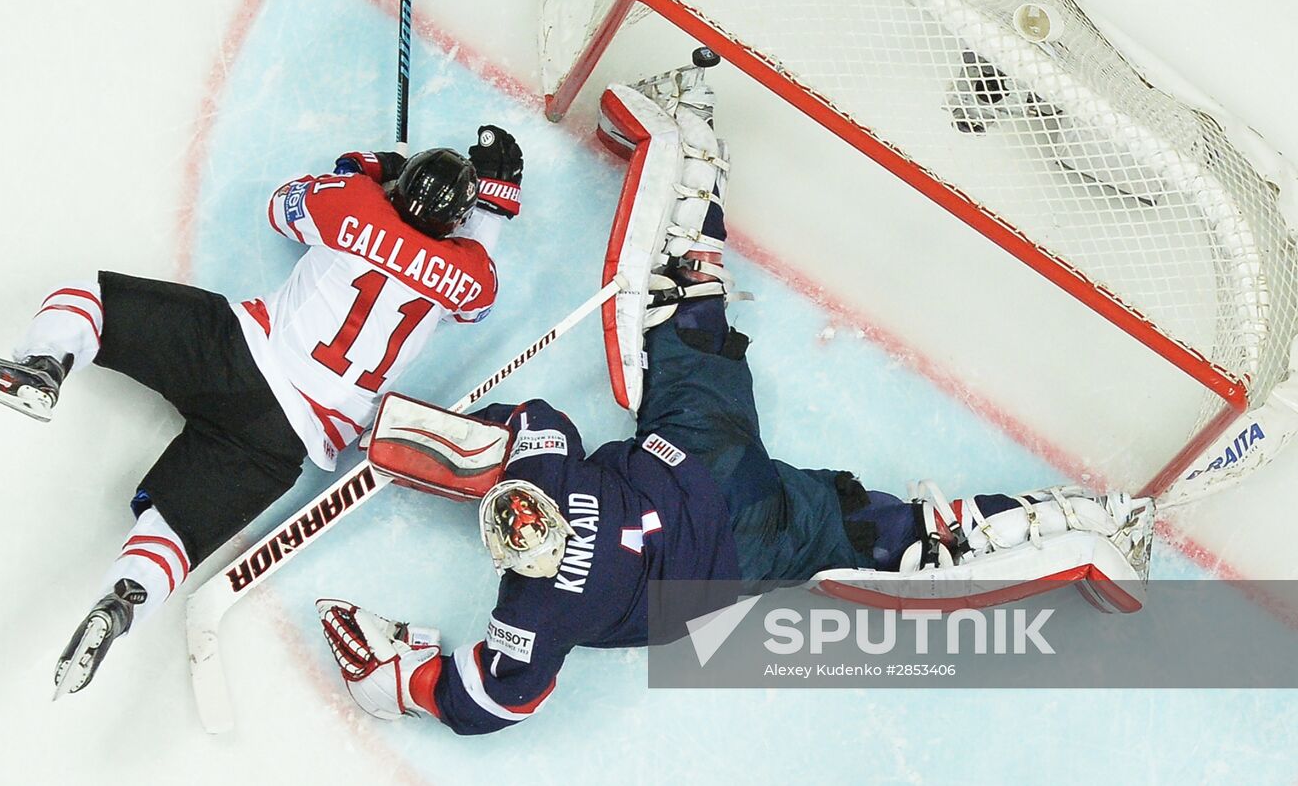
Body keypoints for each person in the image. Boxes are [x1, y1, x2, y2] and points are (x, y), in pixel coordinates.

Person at [311, 66, 1156, 735]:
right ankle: (689, 123)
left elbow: (493, 702)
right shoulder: (551, 475)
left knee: (905, 541)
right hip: (696, 453)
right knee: (685, 303)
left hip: (737, 548)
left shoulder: (536, 606)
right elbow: (541, 424)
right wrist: (460, 438)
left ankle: (1091, 528)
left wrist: (402, 679)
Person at [0, 126, 526, 697]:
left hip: (235, 352)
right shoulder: (469, 276)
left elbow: (284, 206)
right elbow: (474, 296)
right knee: (176, 529)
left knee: (94, 302)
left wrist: (375, 168)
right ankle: (124, 599)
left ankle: (42, 369)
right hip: (286, 436)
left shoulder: (356, 205)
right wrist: (494, 205)